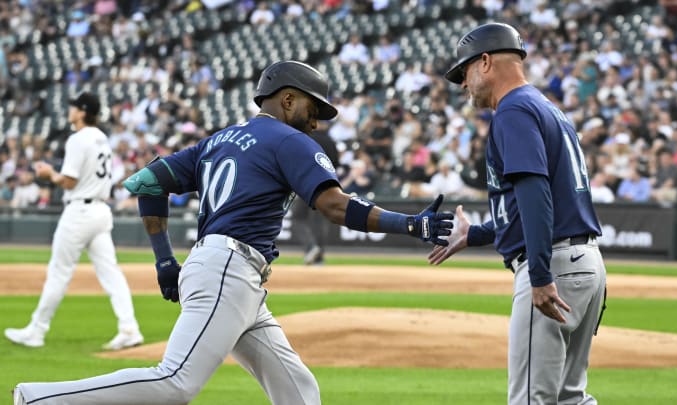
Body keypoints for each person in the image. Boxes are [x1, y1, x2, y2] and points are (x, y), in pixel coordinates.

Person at [11, 60, 453, 405]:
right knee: (175, 383)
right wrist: (411, 223)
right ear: (286, 100)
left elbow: (146, 183)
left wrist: (165, 261)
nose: (316, 122)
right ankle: (37, 398)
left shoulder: (219, 139)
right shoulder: (291, 140)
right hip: (229, 267)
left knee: (299, 391)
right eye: (312, 108)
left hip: (235, 276)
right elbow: (334, 205)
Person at [431, 23, 607, 405]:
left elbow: (535, 194)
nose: (463, 84)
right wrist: (476, 234)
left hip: (553, 265)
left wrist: (541, 274)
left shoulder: (512, 112)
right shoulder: (547, 108)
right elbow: (541, 204)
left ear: (486, 62)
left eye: (464, 73)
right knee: (569, 399)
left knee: (531, 400)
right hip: (585, 263)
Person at [5, 92, 143, 351]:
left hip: (80, 211)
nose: (70, 110)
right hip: (101, 211)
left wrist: (49, 174)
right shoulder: (101, 137)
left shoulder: (79, 139)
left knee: (59, 273)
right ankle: (129, 327)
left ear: (81, 111)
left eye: (73, 106)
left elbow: (68, 181)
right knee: (111, 273)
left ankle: (36, 330)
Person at [291, 123, 340, 265]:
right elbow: (336, 164)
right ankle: (319, 257)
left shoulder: (306, 138)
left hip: (307, 185)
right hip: (327, 186)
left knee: (298, 218)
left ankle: (311, 247)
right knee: (320, 222)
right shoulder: (331, 141)